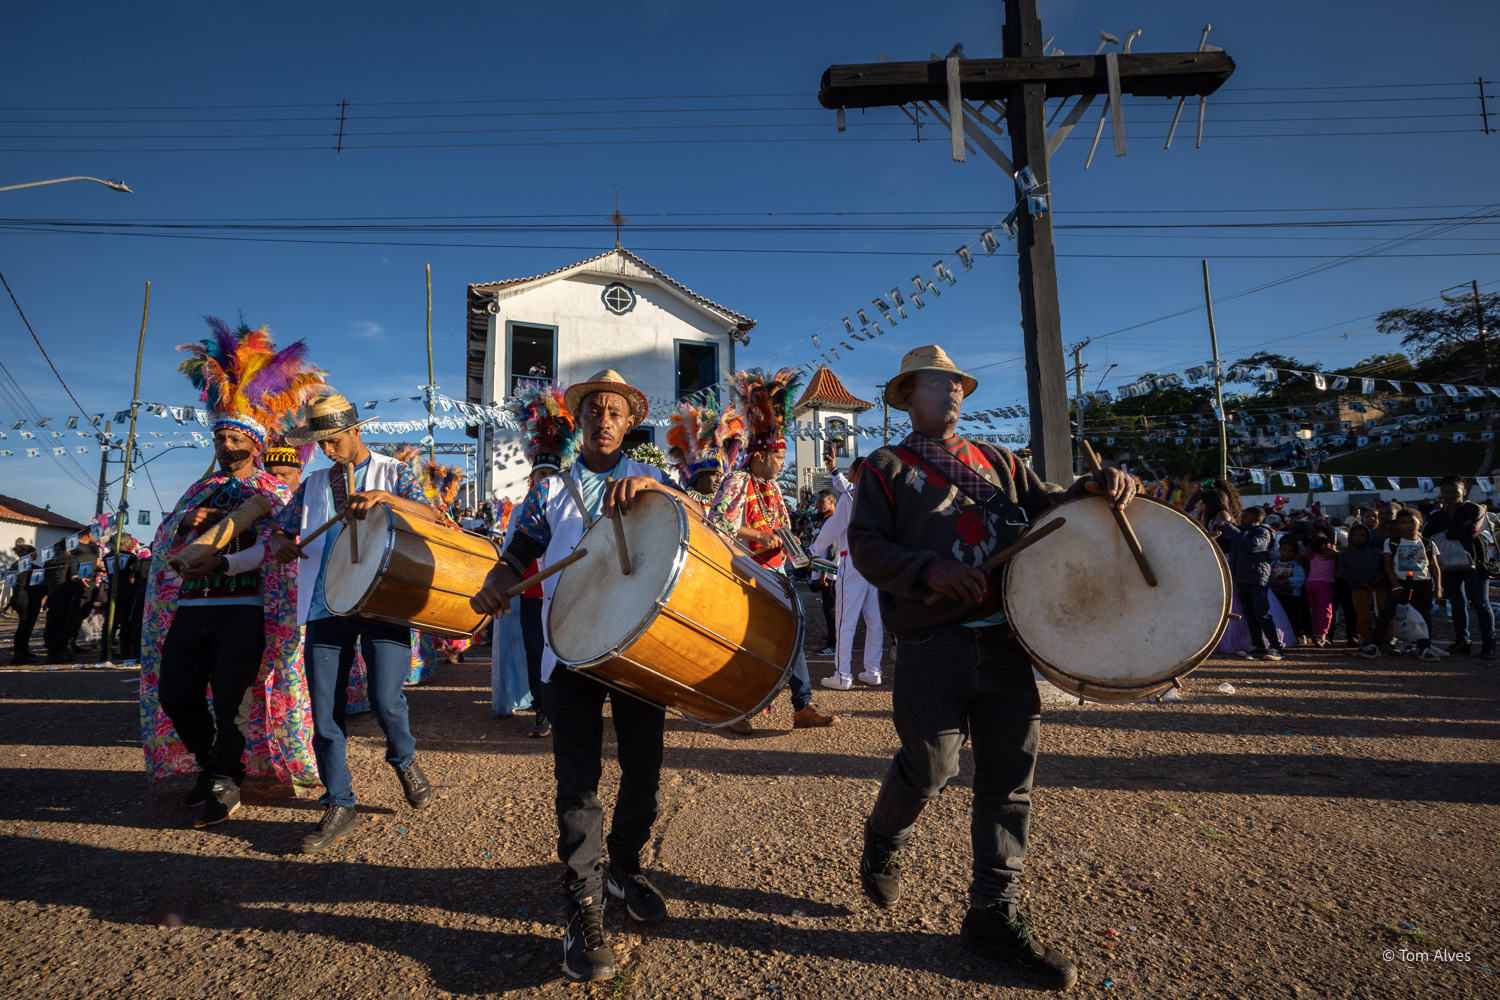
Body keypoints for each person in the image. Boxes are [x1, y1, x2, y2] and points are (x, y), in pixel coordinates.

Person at [849, 345, 1136, 992]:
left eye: (955, 383)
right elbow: (865, 544)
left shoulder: (1003, 462)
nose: (950, 391)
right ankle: (882, 836)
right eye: (934, 383)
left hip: (1009, 643)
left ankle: (992, 914)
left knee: (1009, 779)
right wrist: (927, 570)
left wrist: (1095, 488)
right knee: (930, 769)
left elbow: (1053, 510)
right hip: (933, 646)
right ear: (907, 397)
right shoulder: (885, 466)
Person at [470, 369, 685, 983]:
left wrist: (655, 487)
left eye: (616, 411)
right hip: (572, 653)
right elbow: (518, 552)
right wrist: (497, 581)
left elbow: (695, 523)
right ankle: (582, 907)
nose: (605, 419)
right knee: (579, 782)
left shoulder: (654, 483)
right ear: (580, 421)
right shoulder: (551, 490)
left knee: (644, 772)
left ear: (628, 422)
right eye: (594, 410)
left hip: (641, 649)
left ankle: (624, 868)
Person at [140, 318, 326, 827]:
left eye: (233, 435)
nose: (224, 442)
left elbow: (284, 548)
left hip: (245, 610)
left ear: (254, 441)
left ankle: (225, 778)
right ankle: (207, 764)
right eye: (219, 434)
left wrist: (238, 535)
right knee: (176, 693)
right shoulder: (197, 491)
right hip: (192, 607)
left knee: (232, 701)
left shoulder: (275, 491)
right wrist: (186, 526)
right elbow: (165, 547)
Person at [270, 393, 436, 853]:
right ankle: (339, 802)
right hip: (325, 604)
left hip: (382, 600)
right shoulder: (312, 484)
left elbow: (433, 515)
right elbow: (282, 528)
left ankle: (404, 759)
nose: (328, 451)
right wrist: (283, 541)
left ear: (357, 431)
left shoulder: (394, 472)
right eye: (321, 443)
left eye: (335, 440)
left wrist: (387, 499)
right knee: (325, 714)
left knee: (386, 699)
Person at [708, 367, 837, 735]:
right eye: (779, 457)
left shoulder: (776, 491)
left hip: (777, 575)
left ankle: (802, 705)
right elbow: (716, 523)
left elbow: (782, 531)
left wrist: (804, 558)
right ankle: (735, 708)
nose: (783, 463)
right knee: (742, 642)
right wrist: (757, 537)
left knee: (793, 632)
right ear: (762, 455)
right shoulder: (737, 481)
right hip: (741, 575)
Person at [812, 457, 885, 688]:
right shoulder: (882, 497)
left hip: (853, 561)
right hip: (877, 561)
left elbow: (831, 529)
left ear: (856, 472)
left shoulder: (849, 497)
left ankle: (843, 675)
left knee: (846, 620)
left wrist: (813, 551)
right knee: (875, 620)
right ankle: (873, 671)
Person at [1423, 476, 1495, 658]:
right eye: (1446, 492)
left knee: (1481, 603)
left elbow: (1472, 532)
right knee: (1456, 604)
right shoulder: (1437, 514)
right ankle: (1462, 641)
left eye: (1454, 492)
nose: (1450, 495)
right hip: (1447, 565)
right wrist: (1459, 530)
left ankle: (1489, 643)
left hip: (1474, 563)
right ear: (1441, 494)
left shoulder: (1474, 508)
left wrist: (1445, 533)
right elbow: (1428, 535)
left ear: (1463, 491)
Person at [1367, 508, 1442, 660]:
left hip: (1423, 583)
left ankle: (1425, 647)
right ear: (1399, 525)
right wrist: (1395, 585)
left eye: (1412, 522)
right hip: (1400, 584)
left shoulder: (1427, 543)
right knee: (1387, 614)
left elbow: (1434, 567)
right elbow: (1388, 565)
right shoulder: (1392, 542)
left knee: (1424, 615)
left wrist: (1438, 587)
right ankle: (1375, 645)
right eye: (1403, 523)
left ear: (1420, 523)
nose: (1408, 526)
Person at [1215, 506, 1283, 661]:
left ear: (1257, 520)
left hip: (1257, 578)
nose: (1241, 519)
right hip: (1242, 579)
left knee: (1262, 614)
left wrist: (1230, 528)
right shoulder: (1241, 532)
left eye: (1246, 517)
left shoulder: (1263, 532)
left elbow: (1251, 546)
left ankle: (1276, 647)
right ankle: (1258, 644)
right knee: (1250, 615)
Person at [665, 398, 743, 508]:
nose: (718, 480)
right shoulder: (683, 500)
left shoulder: (723, 504)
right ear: (701, 474)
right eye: (715, 475)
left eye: (720, 475)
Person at [1337, 523, 1384, 650]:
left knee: (1382, 615)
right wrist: (1360, 581)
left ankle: (1384, 640)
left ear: (1368, 537)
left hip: (1378, 589)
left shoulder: (1376, 553)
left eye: (1363, 535)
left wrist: (1381, 577)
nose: (1359, 538)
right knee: (1363, 617)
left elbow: (1386, 568)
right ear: (1350, 536)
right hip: (1358, 590)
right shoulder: (1345, 554)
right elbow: (1344, 571)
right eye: (1356, 535)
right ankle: (1366, 640)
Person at [809, 489, 839, 658]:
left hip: (831, 573)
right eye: (818, 501)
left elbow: (833, 549)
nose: (818, 504)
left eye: (822, 501)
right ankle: (832, 637)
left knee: (831, 609)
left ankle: (833, 645)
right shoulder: (827, 519)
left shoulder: (834, 520)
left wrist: (825, 572)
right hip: (827, 571)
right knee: (829, 608)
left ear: (832, 502)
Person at [8, 541, 44, 664]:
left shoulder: (14, 565)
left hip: (17, 598)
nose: (37, 555)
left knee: (25, 626)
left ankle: (23, 650)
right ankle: (19, 654)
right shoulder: (30, 567)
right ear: (29, 553)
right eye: (35, 553)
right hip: (27, 599)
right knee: (25, 627)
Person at [1305, 535, 1338, 647]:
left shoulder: (1310, 551)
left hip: (1309, 583)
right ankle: (1322, 635)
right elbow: (1333, 534)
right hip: (1323, 584)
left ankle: (1315, 632)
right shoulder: (1330, 551)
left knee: (1315, 610)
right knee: (1326, 611)